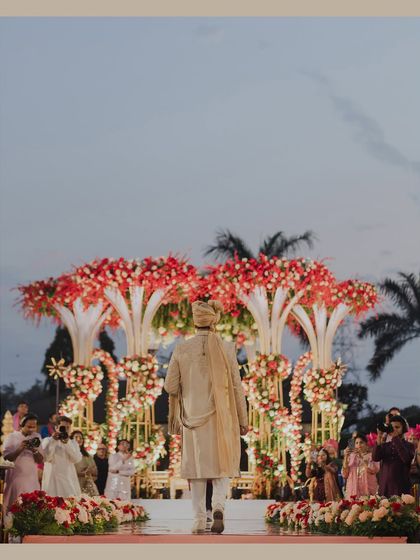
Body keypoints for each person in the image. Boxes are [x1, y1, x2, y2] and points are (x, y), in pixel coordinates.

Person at [164, 300, 248, 534]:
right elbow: (236, 386)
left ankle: (200, 519)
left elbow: (170, 385)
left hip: (192, 419)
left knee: (197, 470)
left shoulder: (182, 348)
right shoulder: (227, 348)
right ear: (213, 322)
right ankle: (219, 506)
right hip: (223, 417)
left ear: (196, 321)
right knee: (222, 464)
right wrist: (243, 419)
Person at [2, 414, 44, 513]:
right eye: (29, 426)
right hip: (15, 478)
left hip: (31, 478)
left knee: (31, 507)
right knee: (14, 506)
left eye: (34, 427)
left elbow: (40, 460)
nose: (31, 429)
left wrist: (35, 451)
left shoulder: (37, 437)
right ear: (21, 425)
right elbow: (7, 457)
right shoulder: (12, 437)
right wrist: (20, 448)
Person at [372, 415, 415, 497]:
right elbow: (375, 457)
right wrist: (379, 436)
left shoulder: (409, 446)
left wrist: (395, 438)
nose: (394, 429)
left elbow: (406, 459)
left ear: (404, 428)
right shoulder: (385, 445)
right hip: (385, 487)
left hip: (401, 487)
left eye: (397, 427)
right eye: (392, 427)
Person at [41, 415, 82, 497]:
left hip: (69, 478)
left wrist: (67, 443)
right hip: (52, 479)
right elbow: (46, 458)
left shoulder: (73, 443)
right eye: (63, 427)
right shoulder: (47, 440)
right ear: (56, 427)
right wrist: (53, 441)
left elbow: (76, 459)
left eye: (68, 427)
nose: (66, 430)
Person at [342, 433, 379, 499]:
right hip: (353, 489)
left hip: (367, 488)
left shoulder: (371, 456)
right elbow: (345, 474)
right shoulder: (351, 456)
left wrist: (362, 457)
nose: (359, 445)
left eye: (361, 442)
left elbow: (374, 470)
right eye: (356, 443)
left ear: (366, 444)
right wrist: (345, 456)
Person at [71, 430, 99, 496]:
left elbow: (95, 471)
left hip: (86, 484)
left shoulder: (87, 455)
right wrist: (79, 473)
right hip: (74, 483)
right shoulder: (69, 454)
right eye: (76, 437)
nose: (79, 439)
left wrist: (90, 471)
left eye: (80, 438)